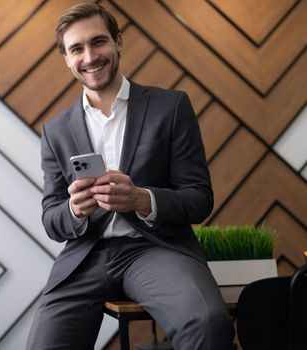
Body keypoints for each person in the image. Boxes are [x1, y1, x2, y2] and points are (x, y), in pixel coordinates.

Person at [26, 3, 234, 350]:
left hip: (154, 249)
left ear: (119, 42)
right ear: (66, 58)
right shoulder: (56, 131)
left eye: (99, 42)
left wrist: (142, 199)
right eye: (77, 48)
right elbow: (51, 218)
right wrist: (75, 210)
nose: (90, 56)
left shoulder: (171, 107)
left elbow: (199, 198)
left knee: (208, 324)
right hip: (85, 257)